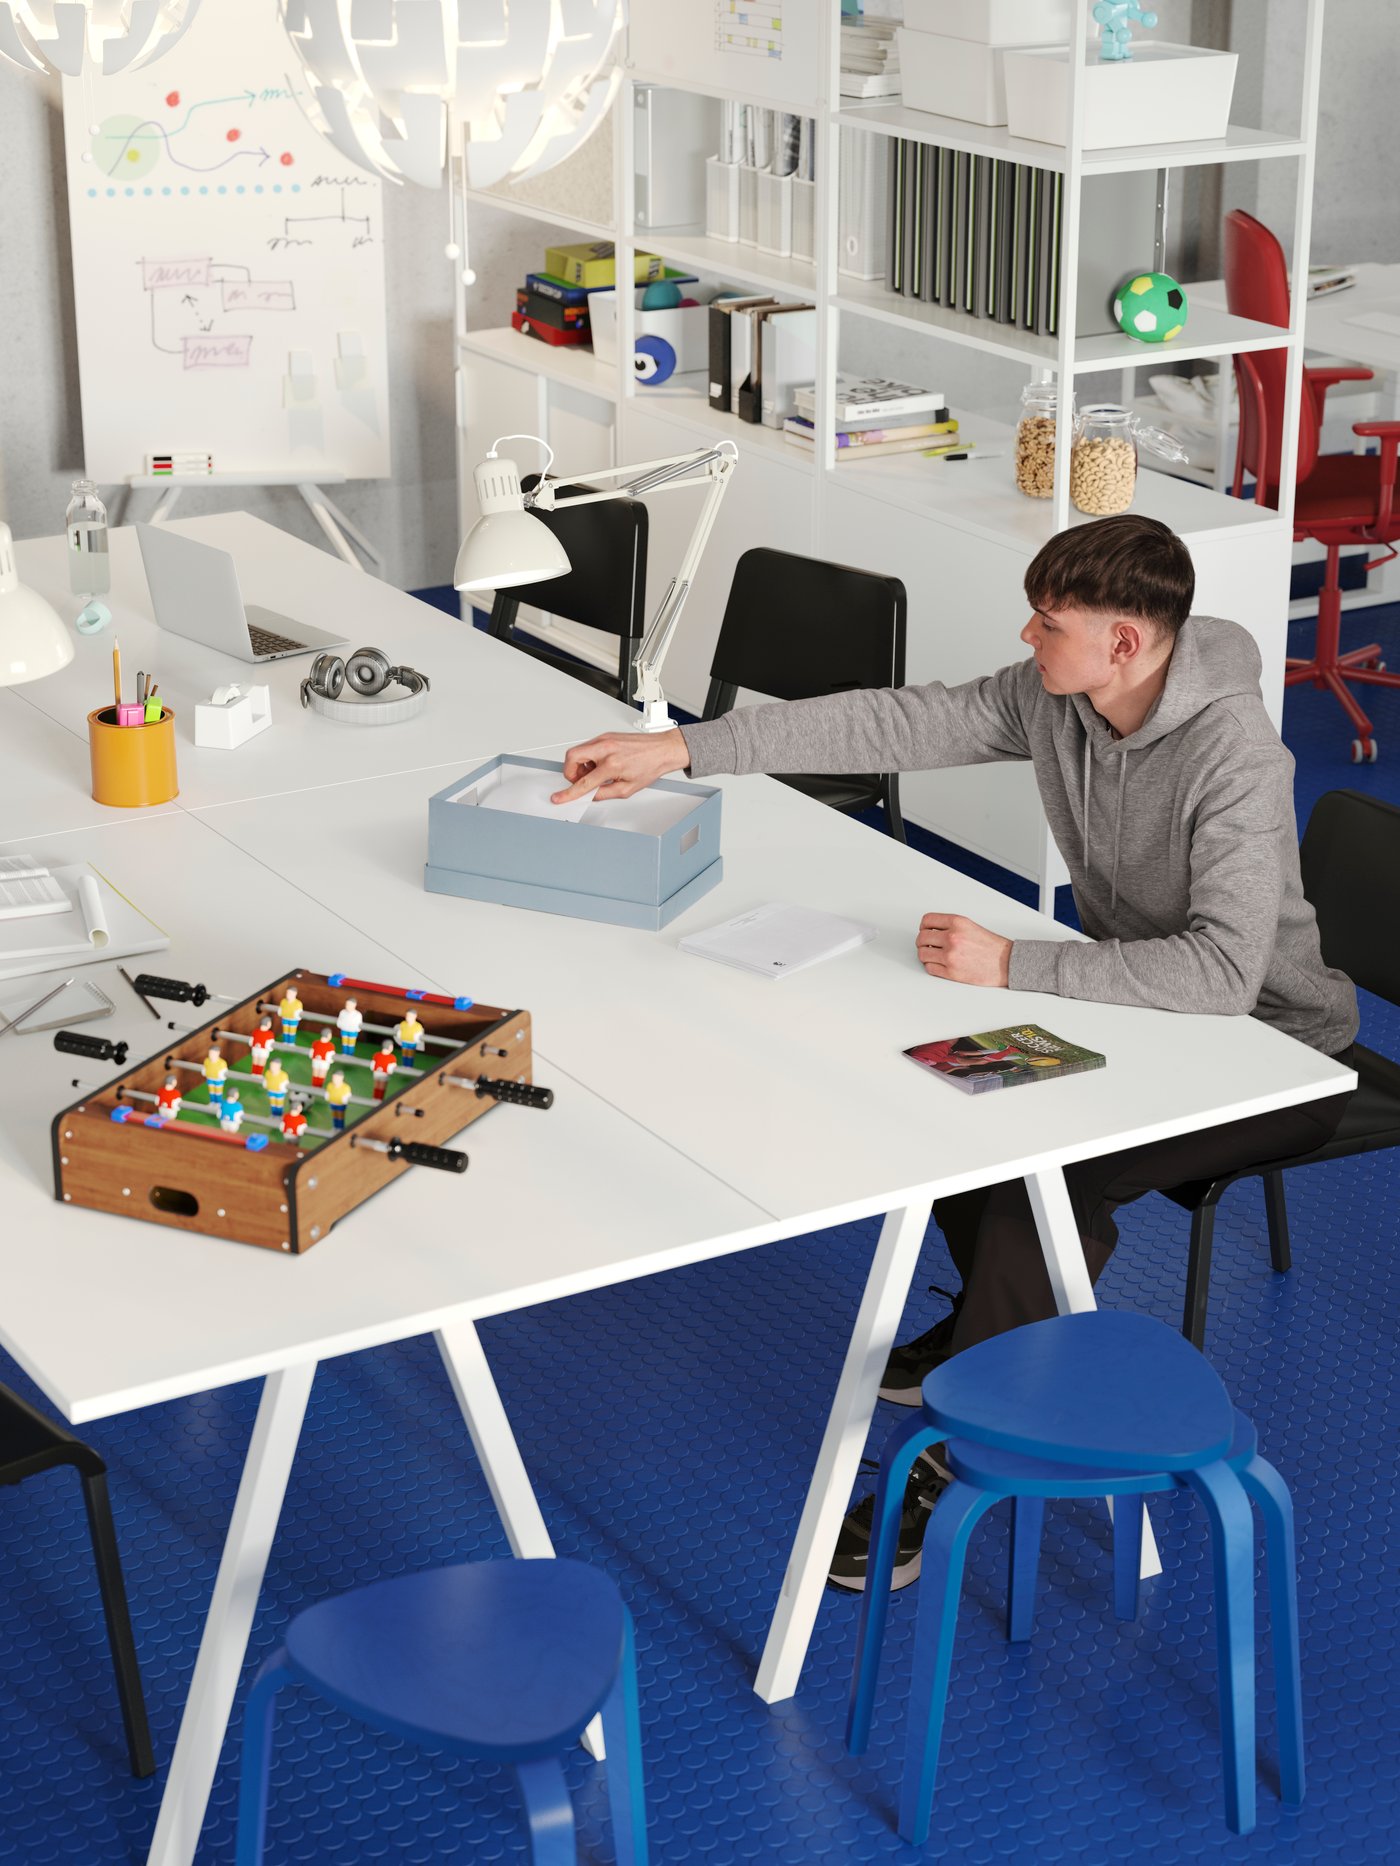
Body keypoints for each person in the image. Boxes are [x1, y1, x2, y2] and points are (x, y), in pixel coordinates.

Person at [551, 514, 1359, 1592]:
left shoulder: (1232, 756)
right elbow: (893, 721)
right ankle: (992, 1342)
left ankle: (946, 1457)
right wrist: (682, 747)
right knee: (933, 1084)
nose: (1027, 636)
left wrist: (1014, 966)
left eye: (1049, 621)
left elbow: (1218, 975)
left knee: (1045, 1183)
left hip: (1271, 1052)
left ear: (1124, 643)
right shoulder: (1057, 694)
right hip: (1127, 1009)